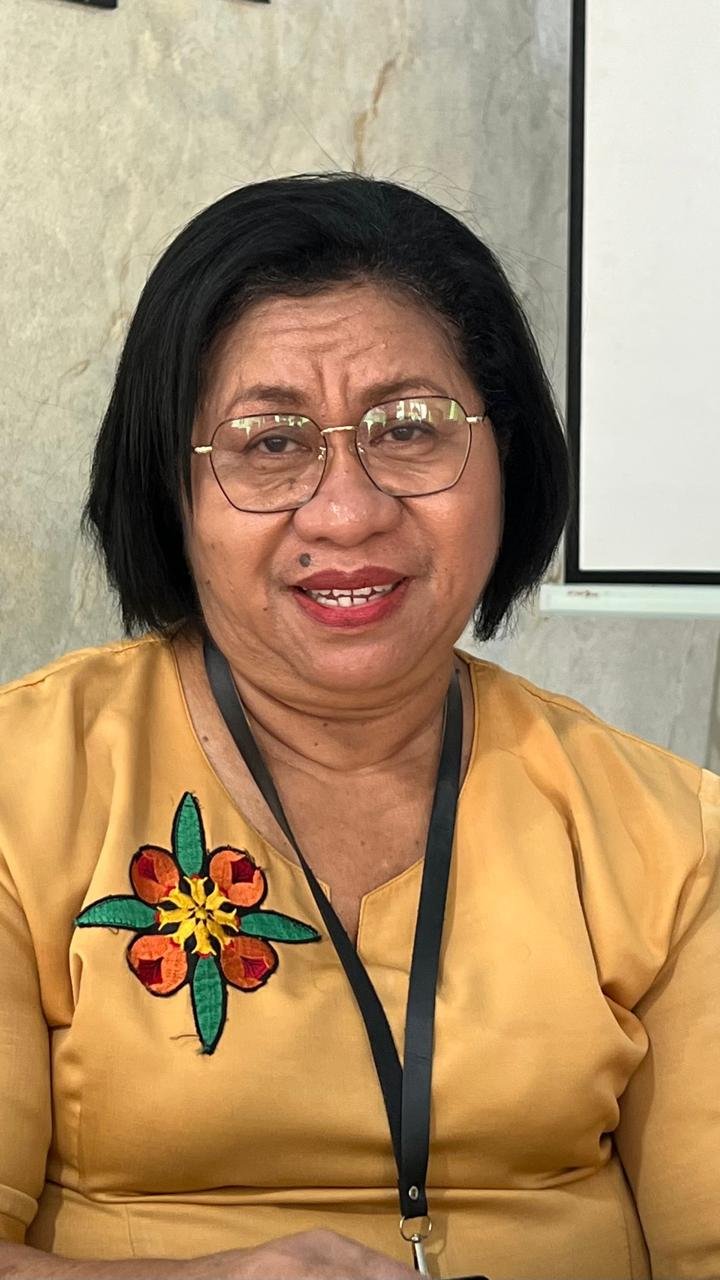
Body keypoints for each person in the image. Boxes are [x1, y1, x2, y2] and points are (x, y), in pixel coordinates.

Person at [0, 174, 717, 1280]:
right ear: (169, 490)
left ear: (509, 456)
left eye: (410, 429)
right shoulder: (23, 790)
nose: (348, 511)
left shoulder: (670, 835)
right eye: (269, 444)